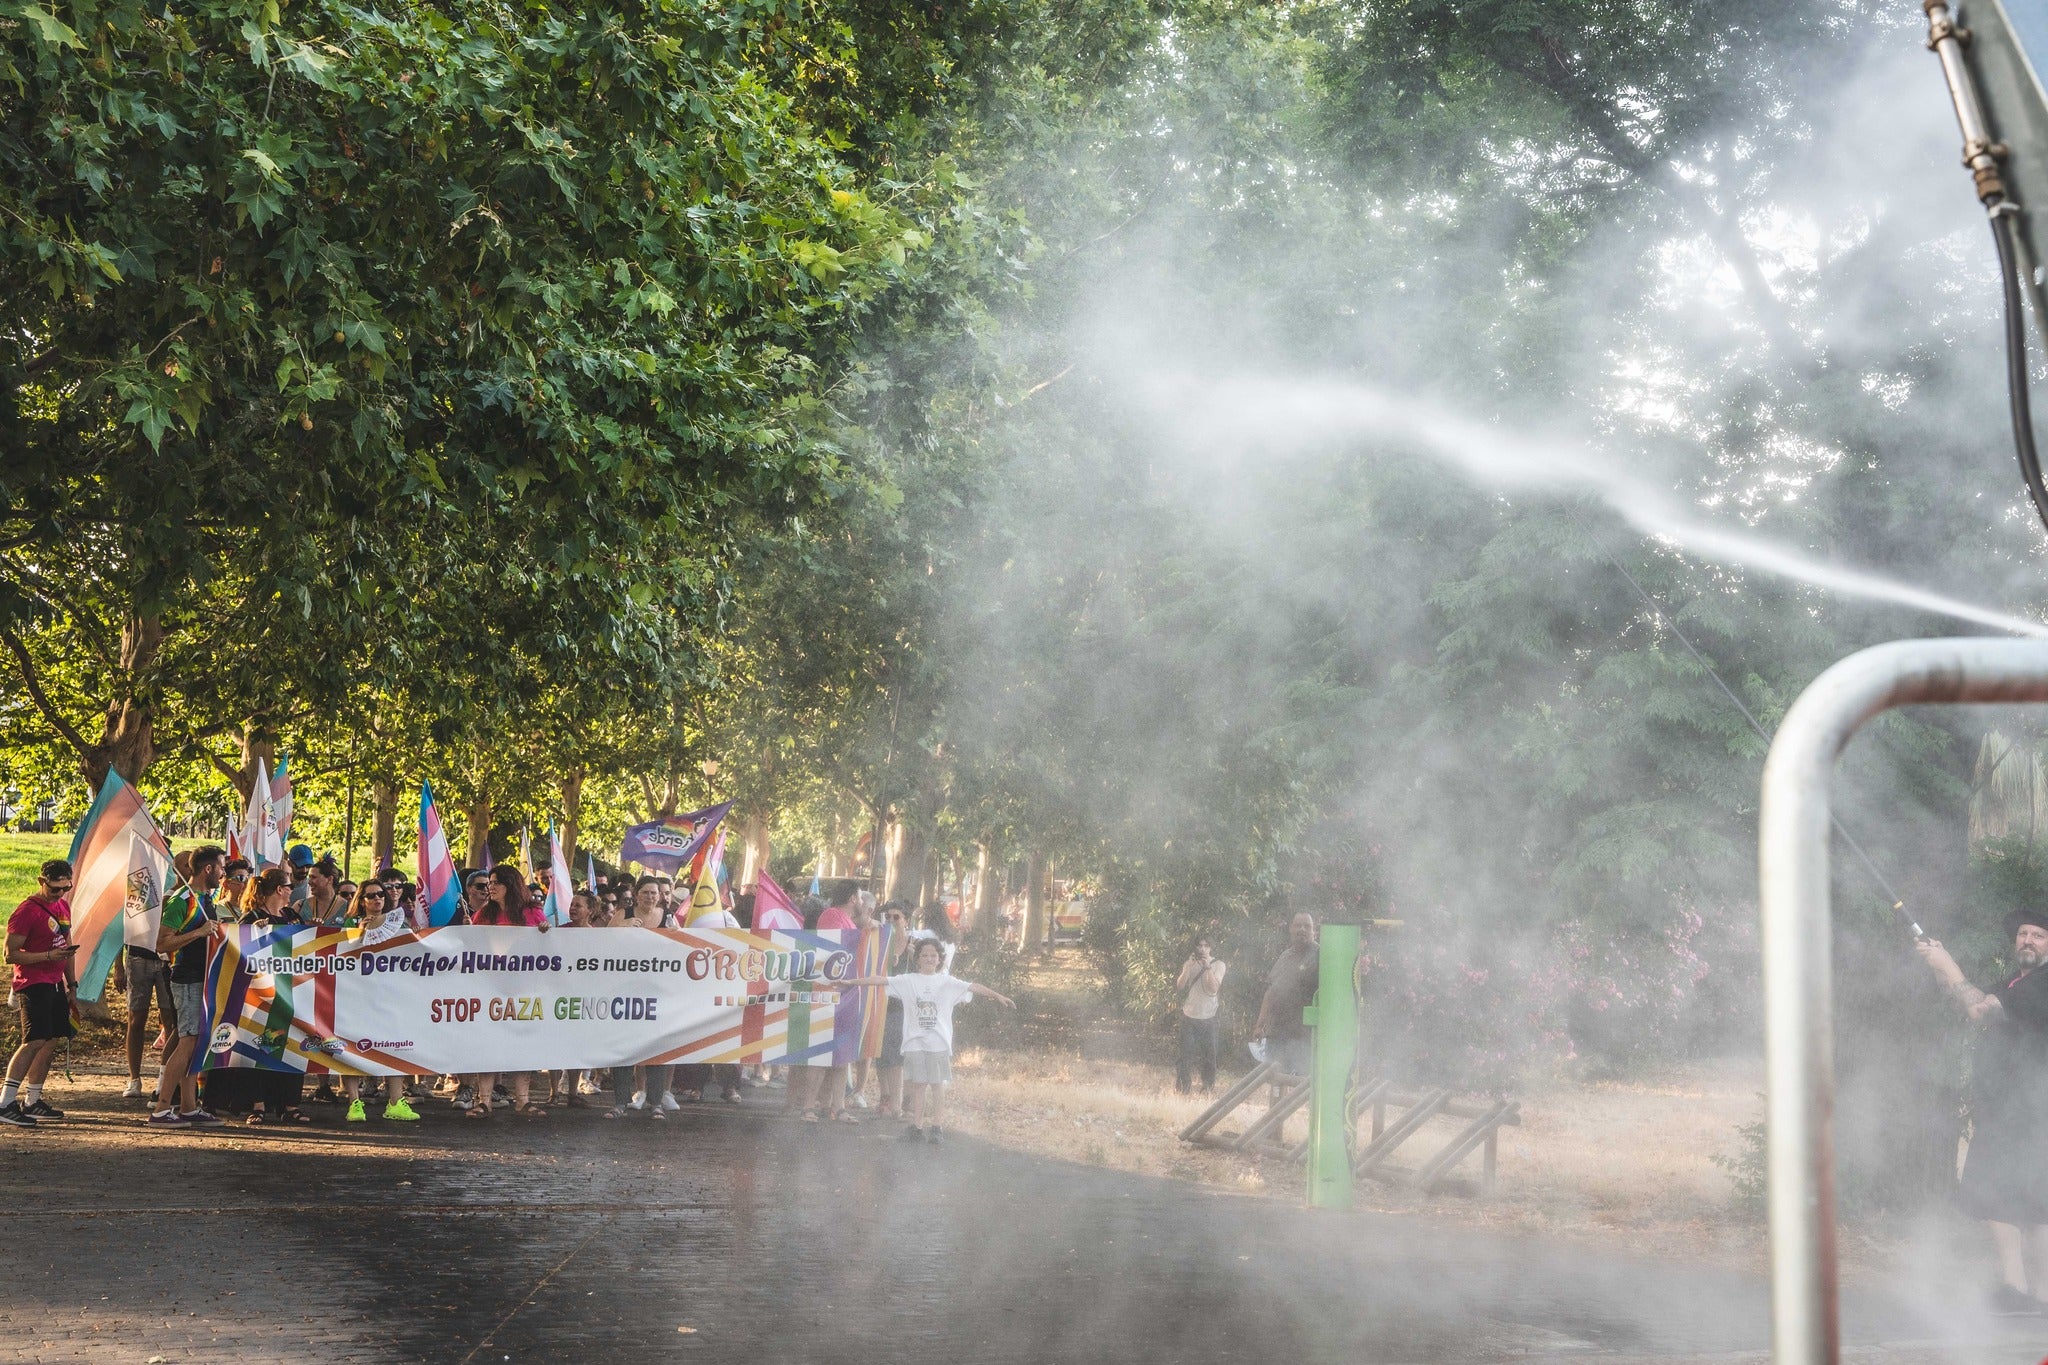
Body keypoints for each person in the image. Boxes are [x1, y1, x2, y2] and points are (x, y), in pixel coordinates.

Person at [1919, 912, 2048, 1314]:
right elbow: (1968, 996)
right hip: (2006, 1108)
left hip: (2028, 1110)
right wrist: (1940, 963)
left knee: (2035, 1199)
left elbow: (1981, 1011)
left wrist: (1949, 966)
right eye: (2023, 934)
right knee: (2005, 1195)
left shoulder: (2042, 984)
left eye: (2039, 935)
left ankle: (2040, 1295)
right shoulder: (2015, 982)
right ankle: (2019, 1291)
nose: (2027, 940)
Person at [835, 937, 1015, 1144]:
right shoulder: (908, 980)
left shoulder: (947, 982)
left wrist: (998, 996)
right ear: (918, 958)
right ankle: (917, 1126)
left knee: (937, 1085)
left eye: (933, 955)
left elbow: (973, 986)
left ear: (939, 959)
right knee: (918, 1085)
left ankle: (937, 1127)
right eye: (925, 955)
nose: (929, 959)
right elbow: (880, 980)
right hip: (914, 1042)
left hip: (938, 1043)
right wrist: (851, 982)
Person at [150, 846, 227, 1127]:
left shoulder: (205, 898)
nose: (223, 872)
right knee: (187, 1042)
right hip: (186, 978)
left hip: (202, 978)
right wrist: (199, 932)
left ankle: (189, 1107)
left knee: (194, 1045)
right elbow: (162, 943)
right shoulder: (181, 900)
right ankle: (160, 1108)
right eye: (220, 866)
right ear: (208, 869)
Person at [0, 859, 80, 1126]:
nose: (59, 894)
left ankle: (32, 1100)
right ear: (41, 882)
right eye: (55, 889)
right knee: (33, 1040)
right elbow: (9, 954)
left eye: (65, 888)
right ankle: (5, 1102)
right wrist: (47, 955)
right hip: (32, 983)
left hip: (56, 981)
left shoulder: (62, 906)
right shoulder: (26, 911)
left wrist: (73, 985)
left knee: (51, 1038)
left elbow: (67, 946)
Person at [469, 865, 550, 1119]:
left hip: (525, 989)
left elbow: (547, 949)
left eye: (496, 882)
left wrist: (546, 933)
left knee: (522, 1043)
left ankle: (523, 1101)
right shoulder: (483, 915)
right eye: (489, 883)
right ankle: (484, 1101)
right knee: (488, 1044)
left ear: (510, 885)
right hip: (490, 988)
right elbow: (470, 946)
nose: (490, 887)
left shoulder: (532, 913)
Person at [338, 881, 422, 1123]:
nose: (377, 899)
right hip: (355, 993)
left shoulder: (400, 924)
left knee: (393, 1044)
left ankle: (395, 1102)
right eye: (371, 895)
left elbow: (415, 951)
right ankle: (354, 1102)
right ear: (361, 900)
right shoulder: (350, 924)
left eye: (381, 895)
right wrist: (356, 935)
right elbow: (336, 952)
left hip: (389, 993)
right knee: (352, 1047)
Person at [239, 869, 310, 1124]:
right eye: (289, 886)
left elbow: (307, 943)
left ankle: (290, 1104)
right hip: (261, 995)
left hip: (292, 992)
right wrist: (252, 934)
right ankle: (257, 1105)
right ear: (280, 889)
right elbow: (236, 947)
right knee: (261, 1045)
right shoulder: (253, 917)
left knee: (294, 1047)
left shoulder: (291, 916)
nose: (293, 890)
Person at [113, 851, 180, 1101]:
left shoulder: (181, 897)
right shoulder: (139, 885)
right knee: (136, 1018)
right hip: (138, 958)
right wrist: (118, 966)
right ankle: (134, 1078)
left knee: (170, 1021)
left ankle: (164, 1080)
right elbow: (125, 927)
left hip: (165, 963)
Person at [608, 876, 674, 1120]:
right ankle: (620, 1103)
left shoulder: (668, 918)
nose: (650, 897)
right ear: (636, 894)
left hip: (658, 992)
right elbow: (603, 941)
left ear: (660, 895)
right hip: (626, 991)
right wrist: (622, 928)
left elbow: (679, 946)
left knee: (657, 1047)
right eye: (645, 892)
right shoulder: (623, 914)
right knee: (625, 1047)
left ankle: (655, 1102)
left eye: (654, 893)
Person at [1252, 912, 1319, 1079]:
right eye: (1298, 925)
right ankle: (1275, 1106)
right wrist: (1260, 1024)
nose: (1302, 929)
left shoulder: (1320, 955)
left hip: (1303, 1035)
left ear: (1314, 931)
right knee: (1275, 1080)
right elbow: (1271, 991)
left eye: (1307, 926)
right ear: (1291, 929)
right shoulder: (1285, 956)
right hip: (1277, 1031)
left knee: (1301, 1082)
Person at [1175, 936, 1227, 1094]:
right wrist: (1187, 969)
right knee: (1185, 1055)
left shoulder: (1219, 965)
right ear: (1195, 948)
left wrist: (1207, 968)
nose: (1202, 949)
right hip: (1189, 1015)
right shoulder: (1189, 963)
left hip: (1209, 1016)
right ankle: (1183, 1089)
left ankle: (1208, 1088)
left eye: (1206, 945)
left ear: (1210, 948)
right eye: (1199, 946)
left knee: (1209, 1056)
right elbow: (1180, 986)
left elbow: (1213, 989)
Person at [300, 855, 345, 924]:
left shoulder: (348, 908)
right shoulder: (300, 906)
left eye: (313, 877)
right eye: (309, 877)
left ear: (329, 879)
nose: (309, 882)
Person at [286, 843, 315, 908]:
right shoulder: (281, 886)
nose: (304, 870)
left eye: (308, 866)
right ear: (289, 863)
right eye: (300, 866)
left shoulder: (313, 888)